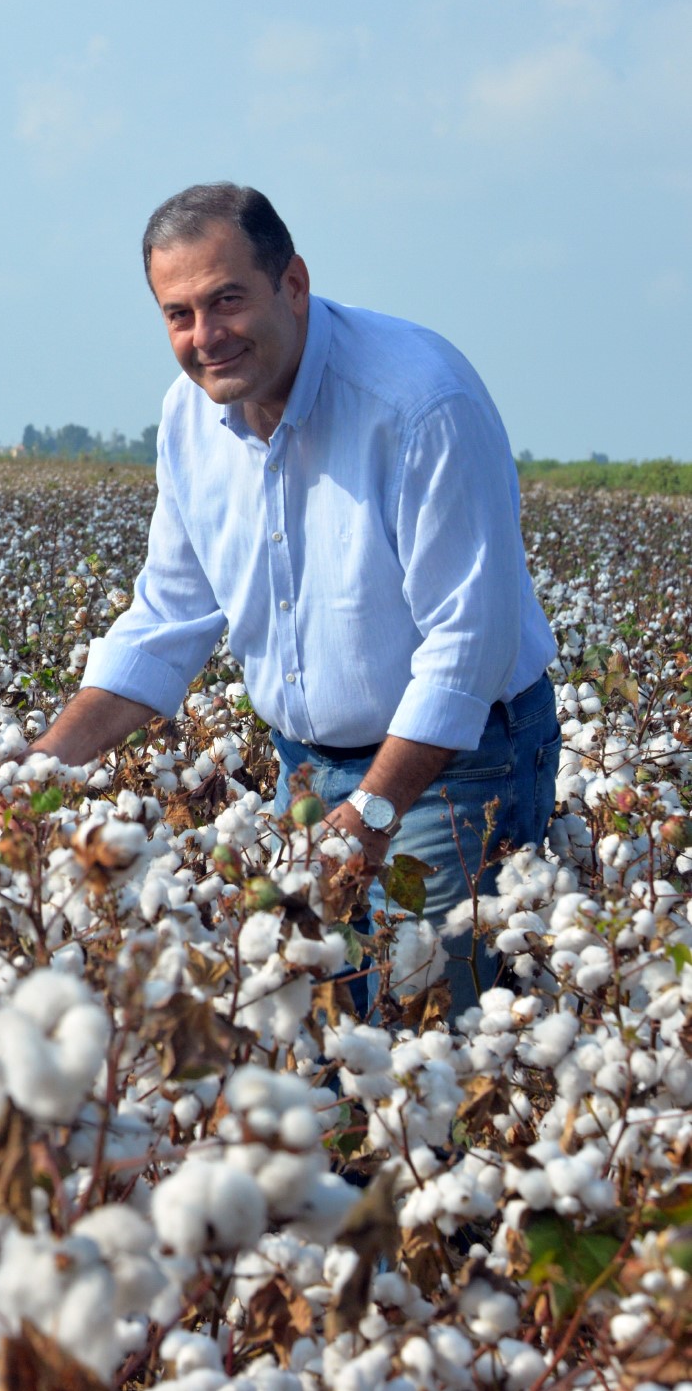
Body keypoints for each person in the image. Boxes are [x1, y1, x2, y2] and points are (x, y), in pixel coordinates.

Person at [28, 182, 559, 1016]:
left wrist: (374, 809)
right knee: (309, 1038)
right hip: (305, 773)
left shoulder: (417, 402)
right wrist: (40, 770)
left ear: (295, 283)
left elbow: (468, 643)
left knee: (435, 1054)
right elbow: (166, 622)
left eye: (226, 300)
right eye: (179, 314)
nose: (206, 337)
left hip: (456, 768)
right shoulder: (190, 419)